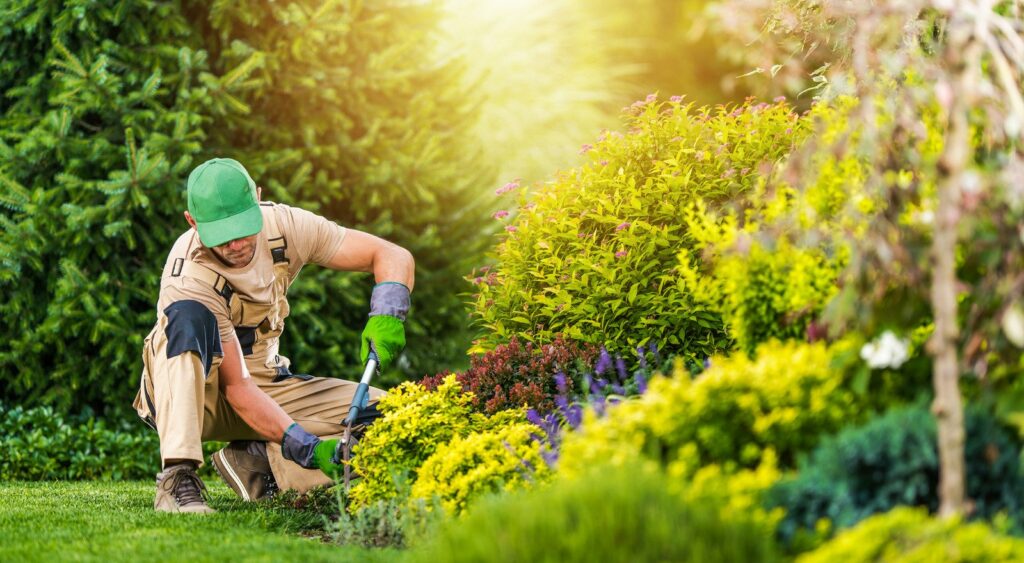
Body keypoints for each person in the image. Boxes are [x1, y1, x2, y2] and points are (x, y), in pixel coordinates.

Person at [133, 158, 413, 513]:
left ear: (259, 198)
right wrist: (306, 446)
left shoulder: (286, 227)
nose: (236, 243)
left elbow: (389, 253)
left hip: (265, 382)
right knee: (186, 319)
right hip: (196, 396)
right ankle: (178, 478)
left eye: (243, 227)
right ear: (192, 222)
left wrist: (388, 314)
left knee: (392, 416)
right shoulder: (188, 276)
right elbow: (236, 388)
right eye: (222, 234)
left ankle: (258, 462)